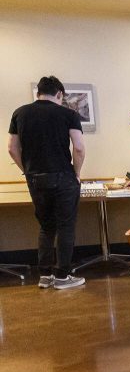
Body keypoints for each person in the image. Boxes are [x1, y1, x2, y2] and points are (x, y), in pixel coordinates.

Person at [7, 75, 87, 290]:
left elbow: (12, 148)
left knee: (46, 226)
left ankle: (44, 275)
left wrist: (27, 171)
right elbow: (79, 148)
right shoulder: (69, 114)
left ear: (38, 92)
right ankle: (62, 276)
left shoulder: (20, 113)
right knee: (65, 227)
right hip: (63, 177)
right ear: (59, 94)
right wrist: (76, 173)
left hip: (35, 178)